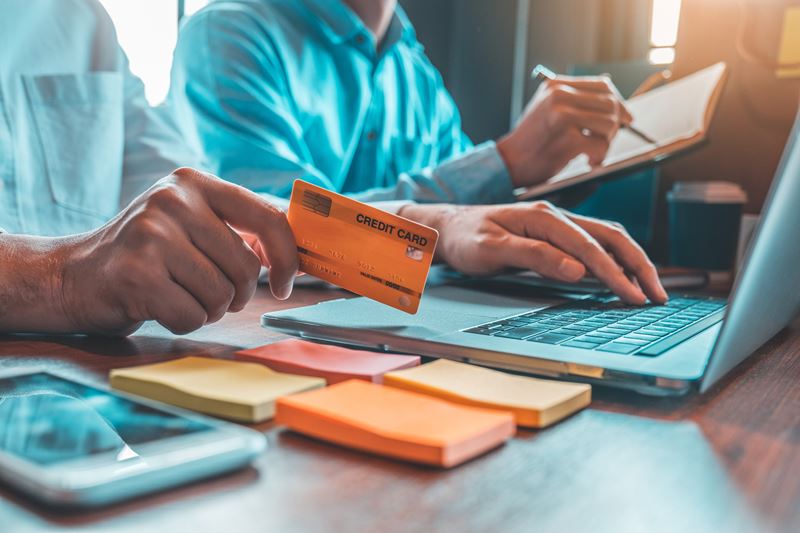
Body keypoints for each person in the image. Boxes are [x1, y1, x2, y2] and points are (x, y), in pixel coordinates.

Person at [0, 0, 664, 338]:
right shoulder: (231, 31)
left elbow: (225, 217)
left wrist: (432, 228)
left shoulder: (77, 20)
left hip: (87, 397)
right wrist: (59, 279)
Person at [167, 0, 634, 204]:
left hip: (405, 328)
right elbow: (282, 232)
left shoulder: (414, 70)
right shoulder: (230, 35)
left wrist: (545, 181)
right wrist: (506, 163)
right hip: (275, 340)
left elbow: (462, 205)